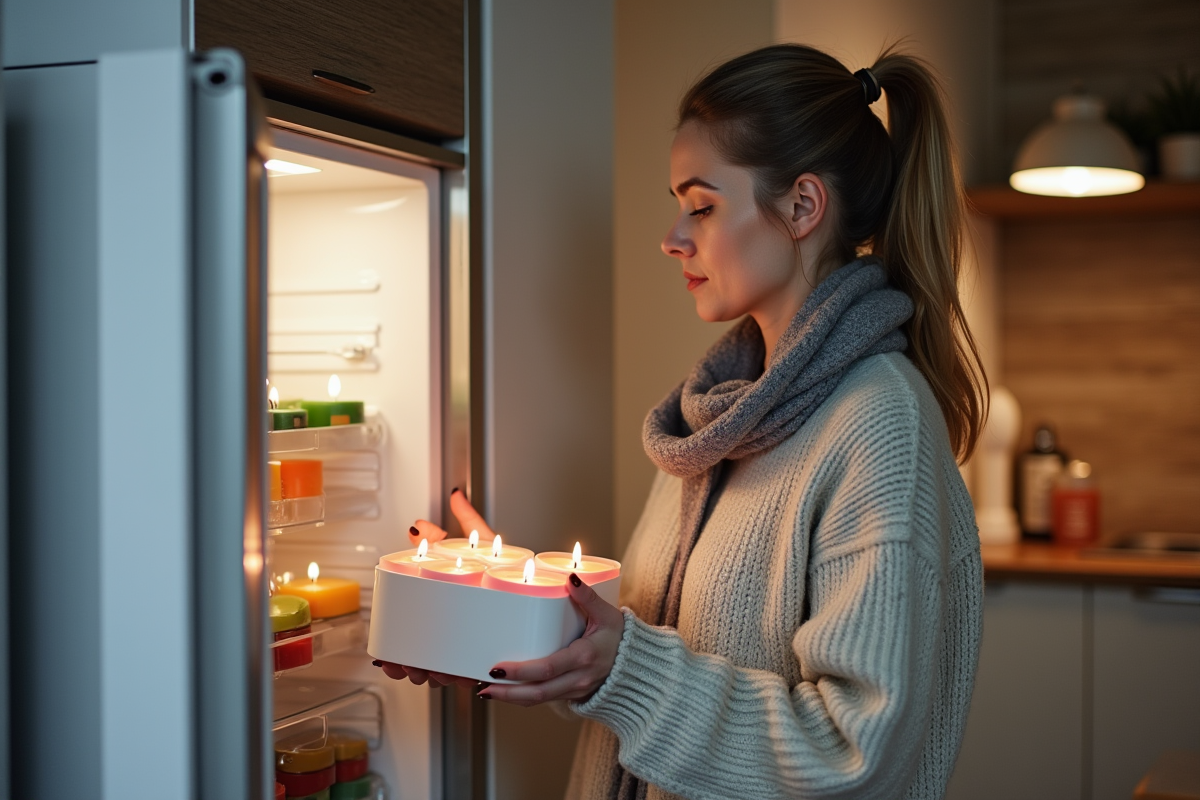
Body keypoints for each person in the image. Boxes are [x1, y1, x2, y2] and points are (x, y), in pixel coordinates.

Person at [380, 42, 987, 800]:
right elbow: (648, 659)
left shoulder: (879, 424)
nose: (672, 238)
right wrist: (505, 608)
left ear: (803, 206)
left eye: (701, 206)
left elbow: (853, 759)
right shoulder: (720, 415)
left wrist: (622, 667)